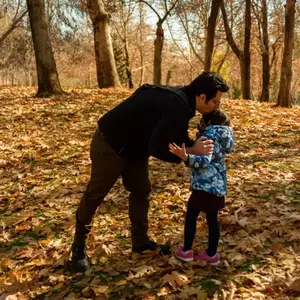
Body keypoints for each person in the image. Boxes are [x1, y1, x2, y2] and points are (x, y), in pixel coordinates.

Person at [71, 72, 229, 272]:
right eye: (216, 102)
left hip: (136, 149)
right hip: (110, 143)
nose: (216, 107)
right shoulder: (177, 105)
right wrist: (192, 151)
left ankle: (140, 243)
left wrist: (192, 148)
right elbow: (159, 147)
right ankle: (78, 247)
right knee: (95, 195)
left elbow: (173, 138)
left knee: (141, 190)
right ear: (202, 97)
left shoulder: (183, 103)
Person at [169, 109, 234, 266]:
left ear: (209, 123)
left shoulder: (209, 135)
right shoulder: (225, 135)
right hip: (217, 185)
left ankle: (186, 251)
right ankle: (212, 255)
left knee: (191, 216)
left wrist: (186, 157)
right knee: (212, 219)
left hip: (204, 185)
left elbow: (204, 160)